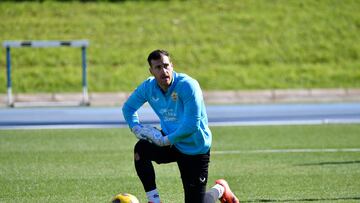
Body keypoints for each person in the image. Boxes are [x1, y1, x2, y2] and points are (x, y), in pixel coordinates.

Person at [122, 49, 239, 203]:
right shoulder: (148, 87)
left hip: (194, 147)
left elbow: (192, 125)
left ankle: (220, 189)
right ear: (151, 71)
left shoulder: (187, 85)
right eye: (158, 67)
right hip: (171, 142)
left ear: (172, 65)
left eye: (166, 65)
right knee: (141, 149)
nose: (163, 71)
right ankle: (154, 200)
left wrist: (164, 141)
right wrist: (135, 127)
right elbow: (128, 108)